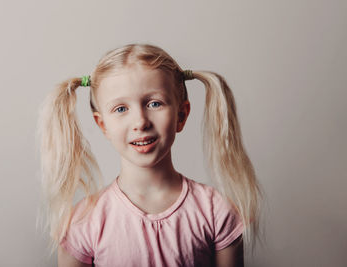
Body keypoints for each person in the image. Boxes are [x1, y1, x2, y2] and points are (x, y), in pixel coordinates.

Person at [37, 43, 261, 267]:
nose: (141, 122)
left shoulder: (216, 211)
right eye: (121, 109)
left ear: (181, 115)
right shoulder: (82, 223)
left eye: (155, 103)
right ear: (103, 125)